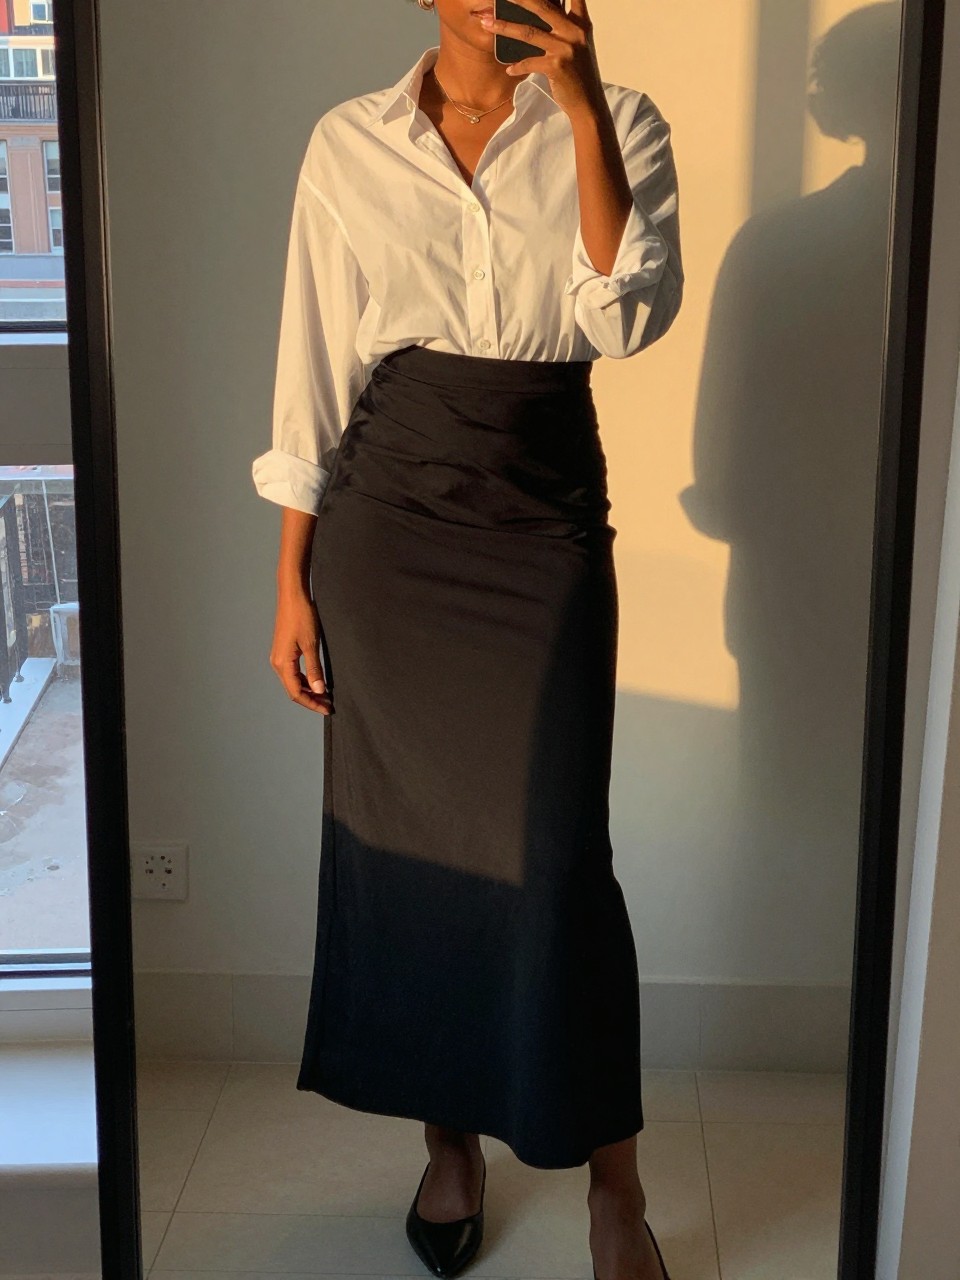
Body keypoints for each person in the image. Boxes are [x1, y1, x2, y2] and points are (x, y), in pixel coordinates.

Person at [251, 1, 682, 1276]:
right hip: (388, 527)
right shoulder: (350, 144)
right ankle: (450, 1147)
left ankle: (616, 1185)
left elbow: (626, 316)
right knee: (421, 857)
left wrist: (588, 107)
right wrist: (291, 579)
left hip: (541, 519)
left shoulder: (625, 123)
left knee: (561, 864)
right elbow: (312, 365)